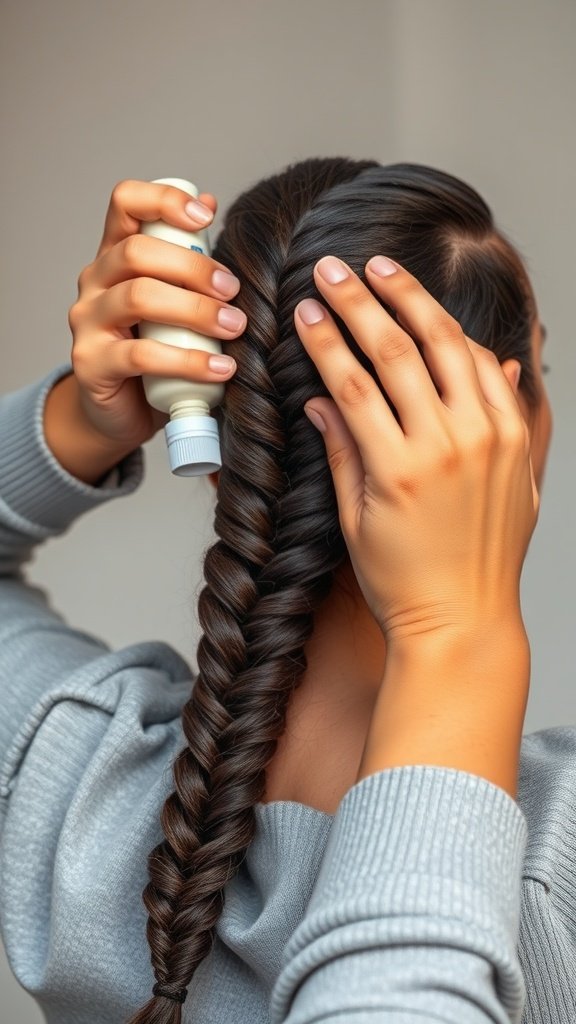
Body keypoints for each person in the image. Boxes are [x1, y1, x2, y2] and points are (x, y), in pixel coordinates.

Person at [0, 158, 572, 1024]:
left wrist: (78, 422)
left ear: (233, 453)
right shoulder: (554, 868)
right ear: (497, 442)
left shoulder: (80, 788)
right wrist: (455, 635)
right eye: (543, 373)